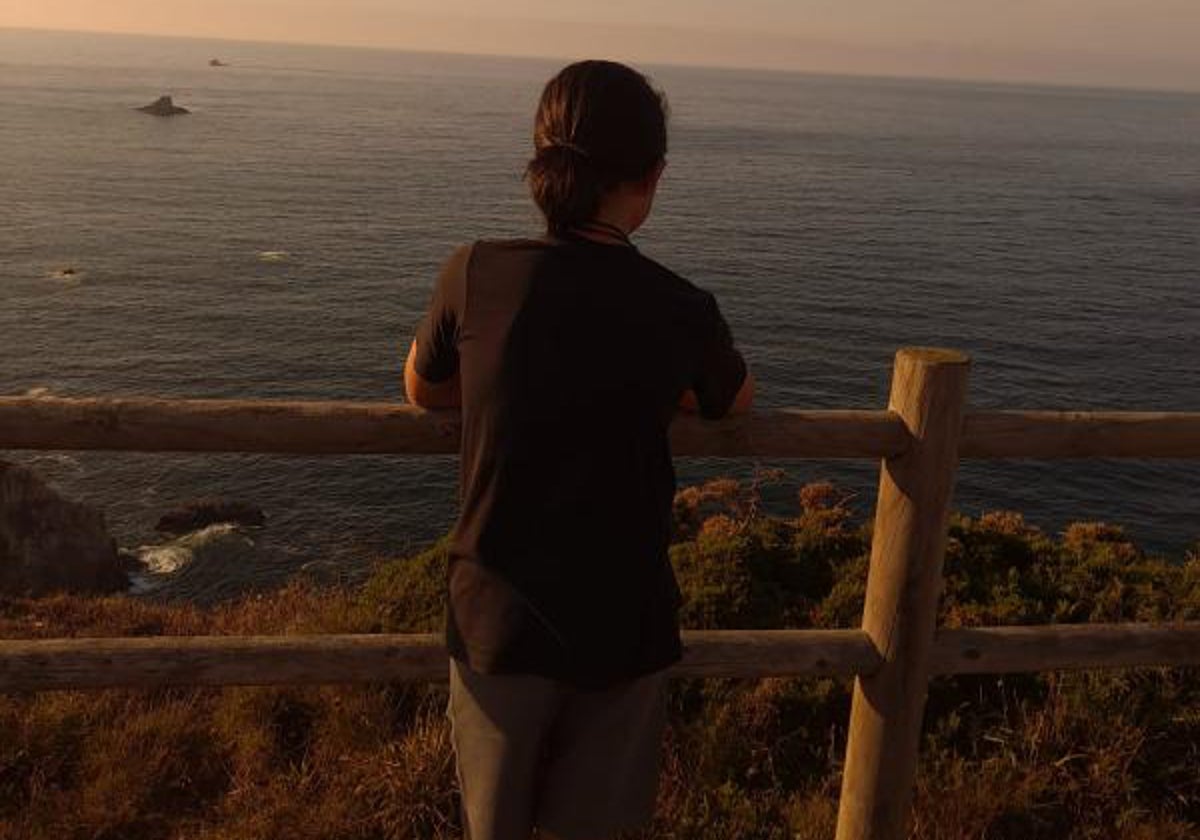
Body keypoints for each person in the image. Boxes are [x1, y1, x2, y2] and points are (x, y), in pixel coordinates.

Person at [404, 59, 754, 840]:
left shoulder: (478, 271)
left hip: (496, 622)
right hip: (621, 628)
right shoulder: (678, 306)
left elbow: (424, 389)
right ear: (652, 177)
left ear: (543, 164)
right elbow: (733, 400)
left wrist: (508, 375)